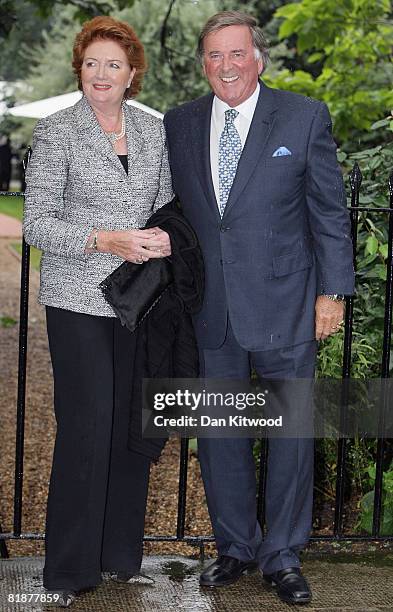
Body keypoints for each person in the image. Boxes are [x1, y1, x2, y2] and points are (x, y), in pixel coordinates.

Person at [164, 10, 355, 605]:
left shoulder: (302, 117)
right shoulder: (180, 123)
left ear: (258, 58)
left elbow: (328, 212)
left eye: (236, 53)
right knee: (221, 436)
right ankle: (236, 547)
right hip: (212, 312)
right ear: (204, 64)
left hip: (288, 305)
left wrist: (333, 292)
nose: (226, 66)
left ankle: (283, 555)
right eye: (215, 56)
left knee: (290, 434)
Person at [23, 16, 173, 608]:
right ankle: (68, 569)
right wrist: (105, 238)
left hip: (140, 299)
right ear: (79, 72)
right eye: (91, 63)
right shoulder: (57, 131)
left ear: (132, 73)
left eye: (113, 63)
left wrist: (163, 238)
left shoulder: (152, 131)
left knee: (130, 428)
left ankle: (118, 557)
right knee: (87, 428)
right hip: (78, 301)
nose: (101, 74)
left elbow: (164, 206)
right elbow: (36, 223)